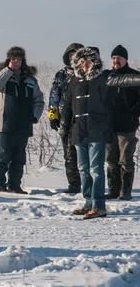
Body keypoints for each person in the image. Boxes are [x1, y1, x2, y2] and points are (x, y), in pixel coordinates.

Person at [62, 47, 140, 219]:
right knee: (83, 168)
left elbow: (124, 80)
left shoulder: (104, 78)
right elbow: (67, 105)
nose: (84, 66)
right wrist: (64, 127)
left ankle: (99, 205)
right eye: (81, 63)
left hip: (97, 130)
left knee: (96, 169)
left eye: (87, 62)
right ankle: (88, 202)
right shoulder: (73, 81)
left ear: (94, 63)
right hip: (79, 131)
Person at [0, 46, 44, 194]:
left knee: (19, 158)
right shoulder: (2, 76)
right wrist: (7, 70)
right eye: (13, 60)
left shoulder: (30, 80)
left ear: (23, 61)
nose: (16, 63)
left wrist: (35, 116)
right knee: (2, 156)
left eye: (18, 60)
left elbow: (39, 99)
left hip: (23, 125)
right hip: (4, 124)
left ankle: (15, 186)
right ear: (8, 61)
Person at [47, 43, 84, 194]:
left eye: (76, 55)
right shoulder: (61, 74)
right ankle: (74, 185)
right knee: (69, 155)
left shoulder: (87, 73)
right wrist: (52, 116)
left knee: (86, 155)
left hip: (84, 119)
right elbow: (54, 96)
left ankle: (88, 184)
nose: (73, 58)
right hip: (65, 119)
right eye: (70, 55)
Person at [106, 45, 140, 200]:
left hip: (127, 125)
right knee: (111, 159)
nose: (115, 61)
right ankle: (113, 190)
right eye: (113, 58)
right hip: (109, 125)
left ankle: (125, 192)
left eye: (118, 58)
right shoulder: (107, 76)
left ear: (125, 59)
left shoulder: (134, 76)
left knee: (125, 159)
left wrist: (133, 113)